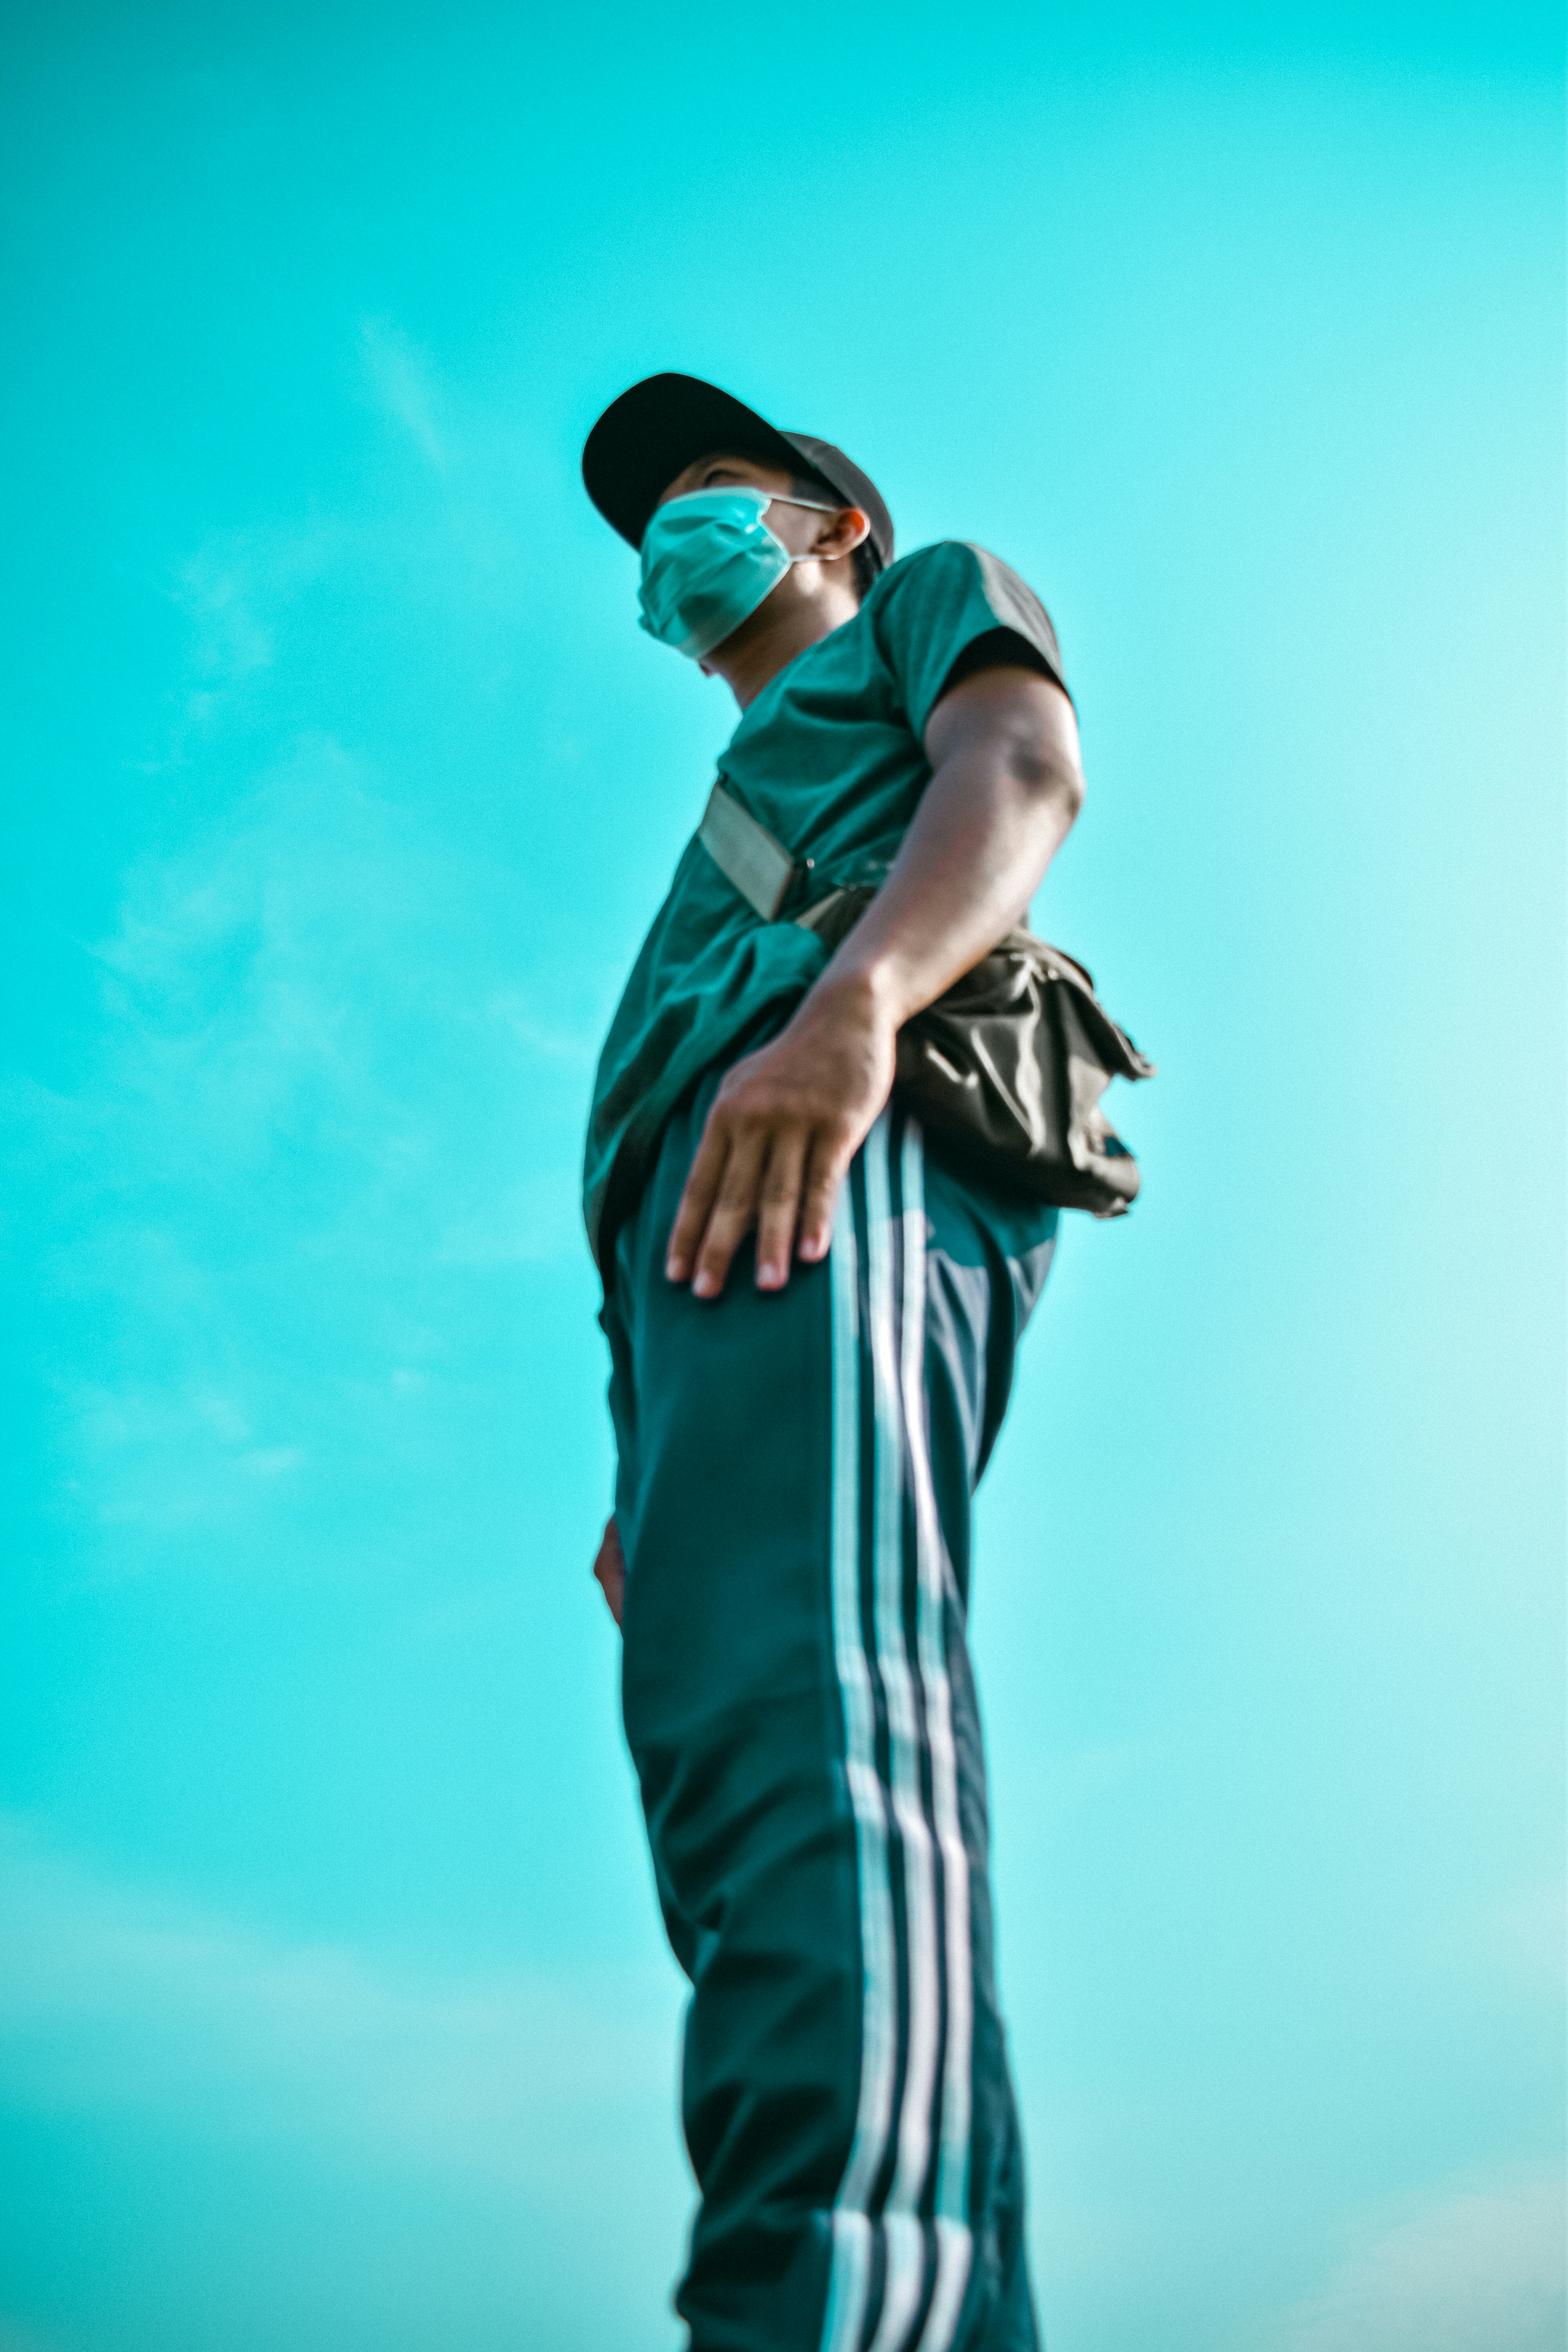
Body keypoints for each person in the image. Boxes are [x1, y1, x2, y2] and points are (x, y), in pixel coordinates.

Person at [581, 373, 1086, 2352]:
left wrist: (858, 1008)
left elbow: (1025, 771)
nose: (671, 538)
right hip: (690, 1329)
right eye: (650, 523)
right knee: (744, 1850)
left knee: (829, 1754)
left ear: (830, 529)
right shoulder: (701, 853)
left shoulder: (921, 600)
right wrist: (635, 1461)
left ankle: (837, 2313)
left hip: (836, 1166)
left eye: (714, 492)